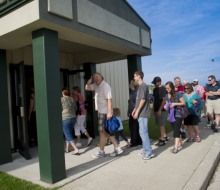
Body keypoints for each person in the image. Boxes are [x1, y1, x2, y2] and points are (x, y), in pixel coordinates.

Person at [85, 72, 123, 158]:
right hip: (101, 112)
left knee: (102, 132)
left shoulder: (106, 86)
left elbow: (109, 100)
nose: (96, 79)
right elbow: (87, 88)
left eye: (97, 77)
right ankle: (116, 148)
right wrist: (88, 82)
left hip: (105, 113)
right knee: (105, 132)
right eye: (94, 78)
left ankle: (102, 151)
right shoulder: (96, 85)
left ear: (101, 77)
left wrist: (109, 112)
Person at [132, 71, 154, 160]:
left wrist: (137, 112)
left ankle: (149, 152)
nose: (134, 78)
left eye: (135, 76)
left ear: (139, 76)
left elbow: (143, 100)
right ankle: (145, 150)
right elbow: (138, 100)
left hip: (143, 113)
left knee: (143, 132)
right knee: (142, 132)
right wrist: (134, 110)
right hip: (140, 113)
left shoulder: (143, 86)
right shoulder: (141, 86)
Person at [165, 82, 185, 153]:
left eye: (168, 88)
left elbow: (183, 103)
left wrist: (174, 104)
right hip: (171, 115)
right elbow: (167, 103)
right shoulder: (167, 95)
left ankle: (175, 148)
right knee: (176, 129)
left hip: (178, 114)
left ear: (172, 87)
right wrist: (167, 105)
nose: (167, 89)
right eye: (166, 88)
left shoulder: (178, 94)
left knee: (176, 131)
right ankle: (180, 142)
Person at [61, 88, 79, 155]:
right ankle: (67, 148)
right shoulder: (72, 99)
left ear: (63, 93)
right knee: (68, 133)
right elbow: (75, 108)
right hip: (73, 118)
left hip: (65, 118)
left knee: (67, 134)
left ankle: (75, 149)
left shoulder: (62, 99)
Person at [152, 76, 168, 146]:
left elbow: (164, 100)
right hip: (156, 109)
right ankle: (164, 136)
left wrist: (159, 110)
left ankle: (162, 140)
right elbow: (154, 99)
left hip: (161, 109)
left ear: (158, 82)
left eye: (155, 83)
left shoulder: (163, 89)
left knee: (161, 124)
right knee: (159, 124)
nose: (154, 84)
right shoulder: (155, 89)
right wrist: (153, 109)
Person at [127, 80, 142, 147]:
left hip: (134, 112)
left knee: (133, 128)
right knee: (136, 127)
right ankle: (138, 141)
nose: (129, 84)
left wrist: (132, 112)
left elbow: (137, 103)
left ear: (133, 85)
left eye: (130, 83)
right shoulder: (134, 92)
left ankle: (134, 142)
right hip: (133, 112)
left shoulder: (135, 93)